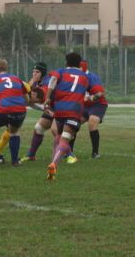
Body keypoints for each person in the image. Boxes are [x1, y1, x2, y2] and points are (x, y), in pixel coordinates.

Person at [44, 52, 94, 181]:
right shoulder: (85, 76)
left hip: (60, 109)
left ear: (66, 62)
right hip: (74, 110)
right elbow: (89, 94)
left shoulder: (60, 72)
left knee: (59, 135)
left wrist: (48, 98)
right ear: (79, 64)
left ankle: (53, 160)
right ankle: (54, 163)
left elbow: (52, 80)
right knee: (65, 139)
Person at [78, 60, 108, 159]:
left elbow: (100, 93)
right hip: (84, 105)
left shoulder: (91, 77)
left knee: (92, 122)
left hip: (97, 104)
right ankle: (69, 153)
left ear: (82, 68)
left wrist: (91, 98)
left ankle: (95, 153)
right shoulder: (75, 77)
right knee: (73, 124)